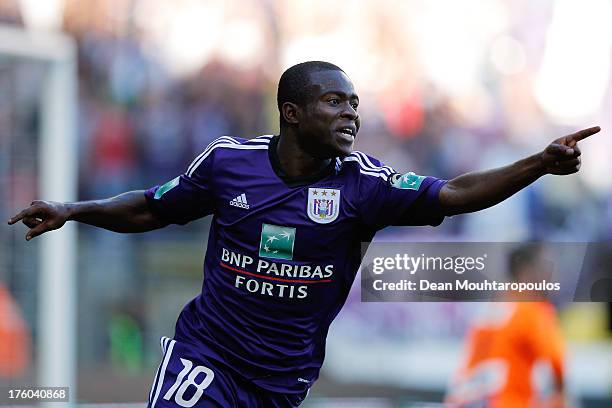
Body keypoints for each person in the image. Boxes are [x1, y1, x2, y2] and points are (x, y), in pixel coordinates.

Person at [8, 61, 599, 407]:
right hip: (206, 352)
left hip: (282, 378)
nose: (352, 114)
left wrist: (538, 164)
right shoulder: (227, 162)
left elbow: (455, 194)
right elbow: (151, 209)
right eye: (334, 101)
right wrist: (73, 208)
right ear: (291, 112)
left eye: (356, 104)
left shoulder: (366, 184)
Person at [446, 244, 566, 408]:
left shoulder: (489, 309)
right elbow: (556, 366)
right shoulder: (533, 312)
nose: (552, 276)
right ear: (527, 272)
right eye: (546, 267)